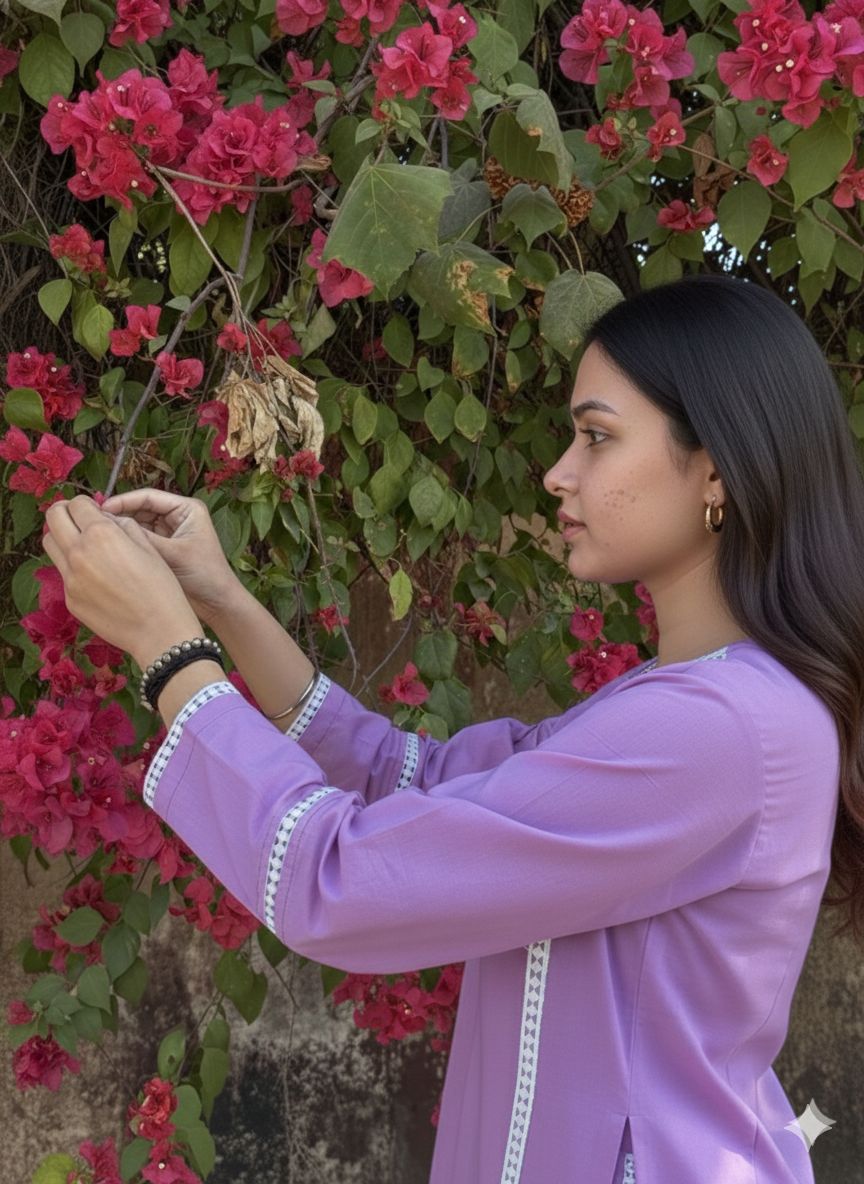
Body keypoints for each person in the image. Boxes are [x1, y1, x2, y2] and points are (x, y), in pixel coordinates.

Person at [41, 272, 864, 1184]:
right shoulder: (692, 707)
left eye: (597, 437)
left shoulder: (719, 730)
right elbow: (409, 777)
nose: (559, 472)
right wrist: (222, 601)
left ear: (715, 469)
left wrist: (168, 653)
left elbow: (340, 881)